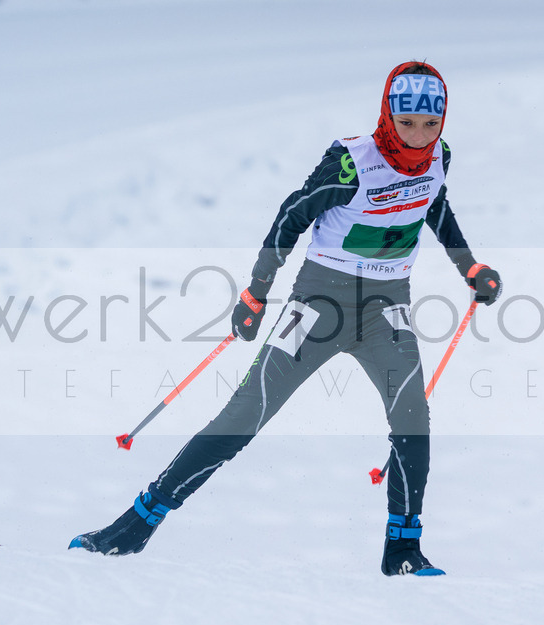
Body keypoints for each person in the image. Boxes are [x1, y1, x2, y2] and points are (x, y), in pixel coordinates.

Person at [69, 61, 502, 576]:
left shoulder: (439, 159)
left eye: (431, 126)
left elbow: (435, 207)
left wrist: (468, 265)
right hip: (318, 307)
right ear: (387, 113)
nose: (418, 137)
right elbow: (291, 216)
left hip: (388, 310)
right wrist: (257, 292)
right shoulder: (352, 163)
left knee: (413, 417)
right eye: (406, 123)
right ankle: (135, 525)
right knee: (244, 415)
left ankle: (403, 550)